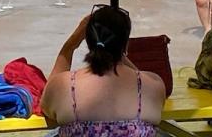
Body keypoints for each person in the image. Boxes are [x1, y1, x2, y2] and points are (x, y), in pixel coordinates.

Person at [40, 8, 165, 136]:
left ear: (88, 41)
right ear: (126, 44)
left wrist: (70, 45)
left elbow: (46, 105)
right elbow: (139, 77)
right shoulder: (152, 85)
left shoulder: (64, 85)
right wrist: (116, 50)